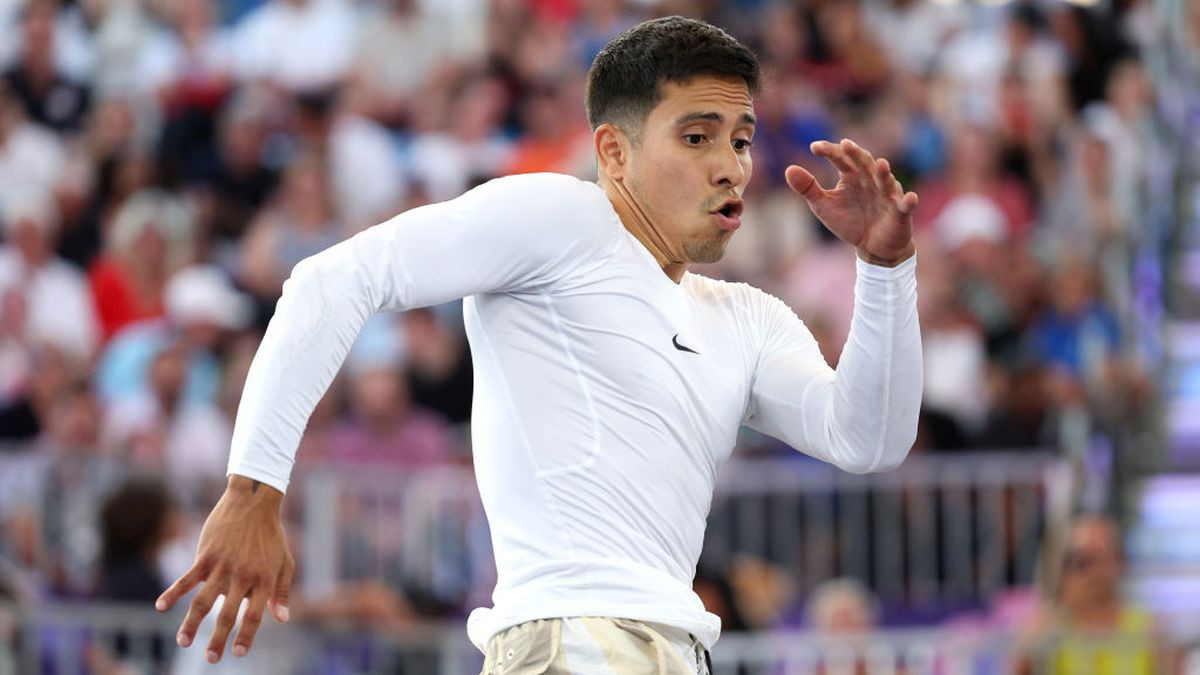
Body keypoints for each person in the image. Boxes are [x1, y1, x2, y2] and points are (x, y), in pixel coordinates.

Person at [155, 16, 922, 673]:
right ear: (613, 153)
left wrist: (885, 271)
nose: (731, 165)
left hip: (674, 648)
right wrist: (252, 489)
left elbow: (868, 440)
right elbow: (331, 280)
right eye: (697, 136)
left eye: (743, 139)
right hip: (569, 641)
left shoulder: (749, 317)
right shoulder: (563, 221)